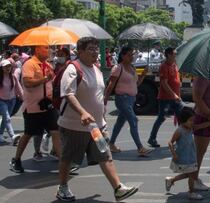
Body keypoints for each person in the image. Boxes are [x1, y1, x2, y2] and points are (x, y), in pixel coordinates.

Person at [57, 37, 138, 202]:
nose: (95, 52)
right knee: (68, 158)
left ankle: (118, 188)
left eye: (96, 49)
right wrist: (82, 112)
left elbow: (98, 94)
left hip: (96, 127)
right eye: (91, 49)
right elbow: (68, 93)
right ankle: (63, 187)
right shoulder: (73, 69)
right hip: (75, 126)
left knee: (105, 155)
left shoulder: (97, 69)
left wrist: (101, 115)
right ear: (80, 52)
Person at [9, 45, 62, 173]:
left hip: (48, 106)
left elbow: (52, 82)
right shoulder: (30, 64)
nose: (49, 51)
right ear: (38, 50)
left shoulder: (47, 65)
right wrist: (45, 79)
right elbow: (27, 83)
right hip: (33, 107)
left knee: (55, 131)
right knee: (28, 134)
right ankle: (16, 159)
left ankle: (63, 162)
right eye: (46, 48)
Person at [104, 46, 153, 156]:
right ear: (122, 56)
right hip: (122, 99)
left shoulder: (132, 68)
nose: (132, 57)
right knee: (133, 120)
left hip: (131, 99)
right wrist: (105, 99)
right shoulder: (118, 68)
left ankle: (111, 143)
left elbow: (136, 84)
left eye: (132, 55)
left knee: (120, 122)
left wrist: (144, 74)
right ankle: (140, 147)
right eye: (129, 55)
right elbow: (111, 85)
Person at [166, 106, 210, 200]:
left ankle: (171, 180)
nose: (192, 122)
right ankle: (192, 192)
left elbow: (199, 126)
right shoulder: (180, 131)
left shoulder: (190, 128)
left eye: (193, 120)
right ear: (183, 120)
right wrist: (173, 153)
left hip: (191, 156)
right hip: (184, 157)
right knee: (191, 174)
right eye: (190, 120)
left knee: (190, 174)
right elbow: (170, 142)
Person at [147, 47, 183, 147]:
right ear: (169, 55)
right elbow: (164, 83)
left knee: (182, 117)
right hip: (166, 98)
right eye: (174, 53)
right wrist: (174, 95)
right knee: (161, 118)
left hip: (176, 98)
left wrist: (177, 95)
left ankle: (182, 138)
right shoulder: (164, 66)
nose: (176, 55)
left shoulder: (175, 65)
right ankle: (152, 138)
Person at [0, 59, 22, 143]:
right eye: (5, 66)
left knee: (6, 118)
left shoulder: (13, 77)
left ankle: (0, 134)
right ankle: (13, 136)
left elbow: (18, 88)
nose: (7, 68)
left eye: (9, 66)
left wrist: (23, 98)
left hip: (12, 100)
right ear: (2, 68)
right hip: (1, 101)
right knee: (7, 117)